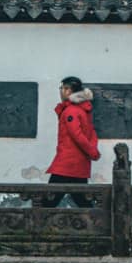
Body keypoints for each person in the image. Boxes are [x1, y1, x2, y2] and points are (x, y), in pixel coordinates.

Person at [40, 76, 100, 207]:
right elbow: (92, 133)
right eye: (62, 88)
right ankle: (96, 220)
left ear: (72, 91)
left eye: (65, 88)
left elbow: (77, 135)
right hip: (79, 165)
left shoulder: (70, 111)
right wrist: (93, 151)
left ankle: (36, 221)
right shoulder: (83, 110)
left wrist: (93, 152)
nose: (62, 91)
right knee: (83, 203)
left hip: (66, 165)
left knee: (47, 203)